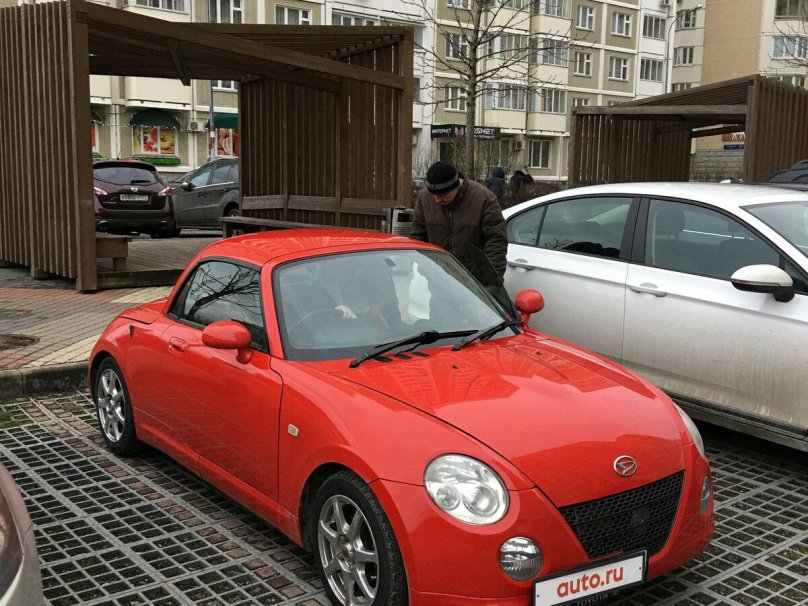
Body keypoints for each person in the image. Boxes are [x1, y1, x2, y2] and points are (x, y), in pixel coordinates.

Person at [410, 161, 509, 305]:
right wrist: (425, 268)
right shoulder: (424, 198)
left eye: (442, 195)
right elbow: (417, 237)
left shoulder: (483, 198)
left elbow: (497, 242)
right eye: (434, 195)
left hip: (475, 284)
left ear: (456, 186)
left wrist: (491, 282)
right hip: (438, 281)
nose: (437, 200)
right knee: (440, 323)